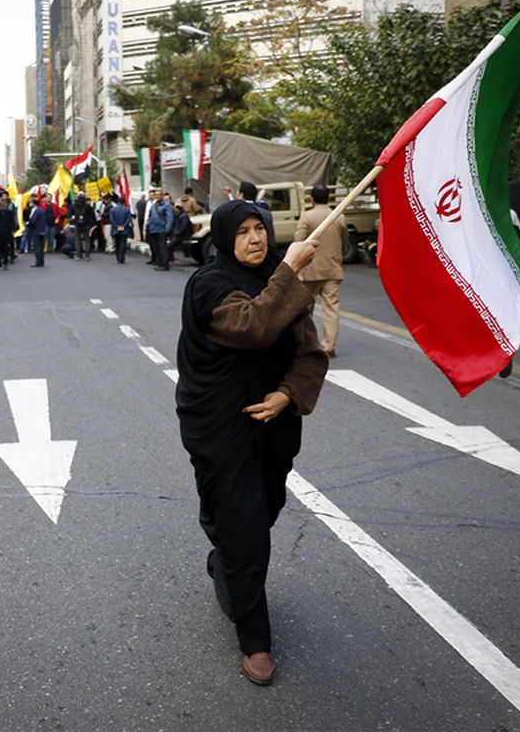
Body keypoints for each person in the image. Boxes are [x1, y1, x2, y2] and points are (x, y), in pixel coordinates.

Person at [175, 200, 326, 687]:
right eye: (242, 232)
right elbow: (255, 326)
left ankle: (224, 560)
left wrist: (287, 394)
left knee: (263, 512)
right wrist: (290, 269)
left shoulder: (284, 286)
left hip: (272, 430)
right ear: (223, 239)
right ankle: (254, 636)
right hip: (221, 428)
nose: (255, 239)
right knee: (245, 530)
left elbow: (308, 352)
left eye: (260, 228)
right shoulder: (209, 285)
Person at [294, 184, 348, 356]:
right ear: (328, 198)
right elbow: (345, 242)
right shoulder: (339, 216)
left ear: (312, 199)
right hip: (332, 269)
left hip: (310, 270)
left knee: (305, 309)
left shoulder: (307, 217)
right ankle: (329, 346)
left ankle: (306, 343)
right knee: (331, 309)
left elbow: (298, 240)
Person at [239, 181, 275, 248]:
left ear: (241, 195)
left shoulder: (236, 213)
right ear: (256, 197)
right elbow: (270, 240)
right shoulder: (266, 213)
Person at [146, 187, 173, 270]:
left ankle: (165, 265)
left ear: (162, 196)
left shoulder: (166, 205)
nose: (157, 197)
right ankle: (159, 263)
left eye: (159, 195)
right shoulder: (154, 205)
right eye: (156, 195)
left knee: (162, 248)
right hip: (153, 229)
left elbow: (170, 218)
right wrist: (148, 225)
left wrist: (167, 229)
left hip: (162, 230)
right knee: (156, 247)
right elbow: (150, 216)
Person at [69, 193, 97, 261]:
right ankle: (87, 256)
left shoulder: (74, 205)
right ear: (84, 197)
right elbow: (92, 215)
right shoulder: (87, 205)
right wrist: (92, 224)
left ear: (78, 197)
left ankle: (78, 255)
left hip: (77, 224)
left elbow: (70, 214)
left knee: (78, 240)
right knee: (87, 240)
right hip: (86, 224)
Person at [0, 195, 15, 270]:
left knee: (5, 248)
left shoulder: (9, 212)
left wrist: (12, 230)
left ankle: (5, 262)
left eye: (2, 204)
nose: (1, 206)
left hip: (6, 232)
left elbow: (12, 222)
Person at [108, 195, 132, 264]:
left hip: (116, 229)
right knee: (123, 243)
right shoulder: (127, 209)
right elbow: (128, 219)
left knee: (117, 243)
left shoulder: (113, 210)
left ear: (118, 202)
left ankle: (118, 257)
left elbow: (112, 219)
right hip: (124, 229)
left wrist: (117, 227)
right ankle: (122, 257)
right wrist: (123, 226)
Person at [27, 197, 48, 267]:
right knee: (41, 247)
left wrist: (28, 225)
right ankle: (41, 261)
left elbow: (32, 221)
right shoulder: (42, 210)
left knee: (37, 247)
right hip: (42, 229)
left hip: (36, 230)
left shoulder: (35, 210)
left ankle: (38, 261)